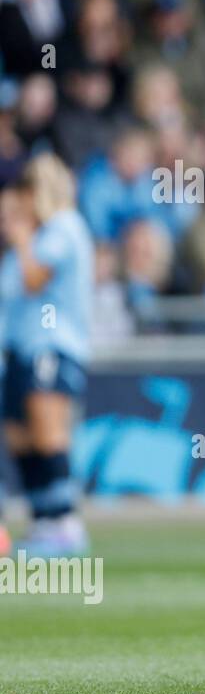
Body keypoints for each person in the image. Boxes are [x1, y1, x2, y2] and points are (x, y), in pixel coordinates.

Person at [0, 155, 92, 558]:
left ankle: (65, 522)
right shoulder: (34, 239)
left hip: (50, 344)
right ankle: (42, 518)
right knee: (19, 435)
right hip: (21, 348)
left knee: (46, 430)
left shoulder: (62, 227)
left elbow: (36, 279)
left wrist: (21, 239)